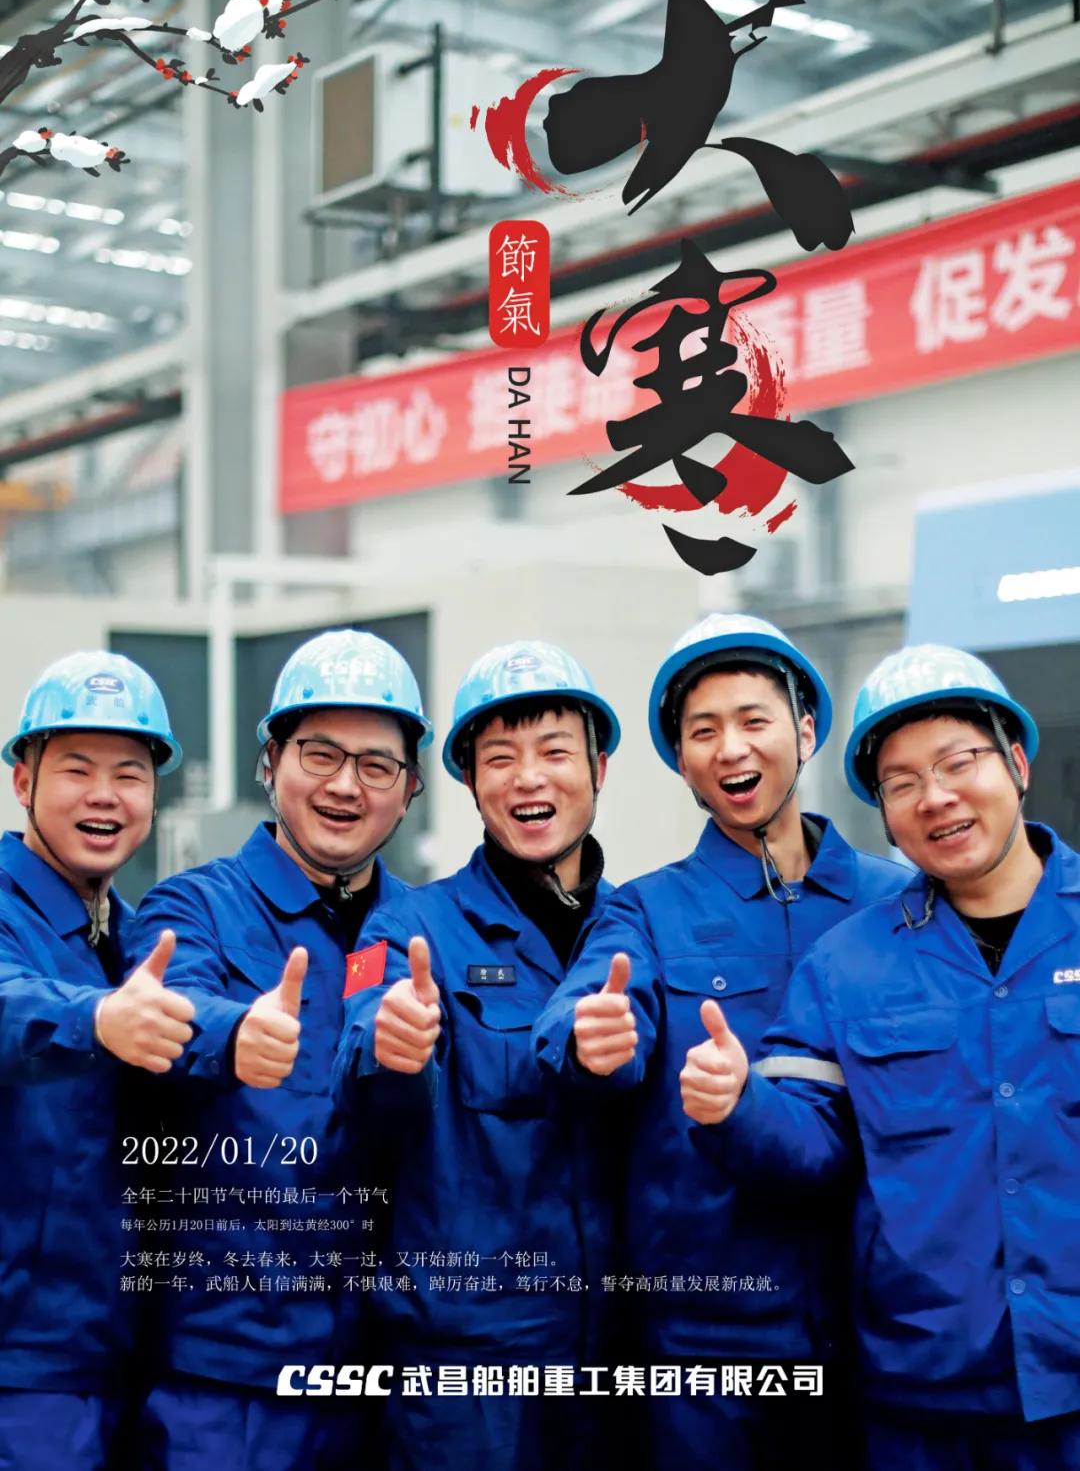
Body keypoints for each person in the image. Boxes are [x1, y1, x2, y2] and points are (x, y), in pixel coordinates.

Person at [683, 644, 1080, 1470]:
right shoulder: (847, 963)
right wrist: (739, 1103)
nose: (936, 797)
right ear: (885, 814)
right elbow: (811, 1140)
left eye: (959, 762)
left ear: (1016, 763)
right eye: (902, 783)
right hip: (923, 1396)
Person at [533, 613, 910, 1470]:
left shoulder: (895, 902)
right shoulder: (646, 908)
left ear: (805, 730)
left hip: (875, 1333)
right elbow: (583, 1010)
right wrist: (593, 1036)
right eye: (703, 731)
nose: (731, 748)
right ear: (680, 758)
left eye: (753, 719)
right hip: (706, 1341)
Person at [126, 628, 430, 1471]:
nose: (345, 784)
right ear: (270, 760)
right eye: (319, 753)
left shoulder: (424, 927)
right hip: (230, 1375)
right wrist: (233, 1035)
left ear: (409, 788)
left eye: (377, 764)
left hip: (386, 1372)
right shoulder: (193, 907)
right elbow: (171, 1009)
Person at [333, 639, 621, 1471]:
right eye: (499, 758)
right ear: (467, 778)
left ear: (600, 767)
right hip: (464, 1366)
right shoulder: (402, 926)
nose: (528, 779)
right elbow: (362, 1037)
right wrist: (390, 1044)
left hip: (609, 1349)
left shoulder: (632, 927)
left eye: (554, 751)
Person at [0, 649, 189, 1471]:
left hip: (125, 1355)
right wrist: (98, 1018)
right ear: (23, 781)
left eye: (130, 773)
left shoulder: (136, 937)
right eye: (77, 769)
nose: (105, 794)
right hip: (24, 1363)